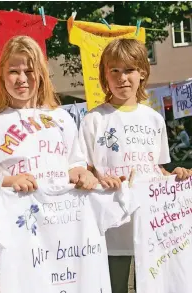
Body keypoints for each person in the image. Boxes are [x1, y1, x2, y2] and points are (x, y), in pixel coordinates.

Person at [78, 38, 192, 293]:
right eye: (114, 71)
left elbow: (158, 169)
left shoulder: (154, 119)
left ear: (142, 72)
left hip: (153, 227)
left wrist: (175, 176)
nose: (122, 78)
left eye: (129, 70)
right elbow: (83, 168)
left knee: (151, 286)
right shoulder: (94, 120)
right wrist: (95, 178)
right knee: (114, 286)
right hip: (112, 227)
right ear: (104, 75)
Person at [0, 35, 98, 191]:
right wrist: (8, 181)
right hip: (14, 212)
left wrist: (83, 174)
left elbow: (74, 165)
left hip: (60, 211)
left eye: (29, 71)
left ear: (41, 74)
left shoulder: (62, 118)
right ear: (2, 75)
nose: (22, 79)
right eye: (13, 71)